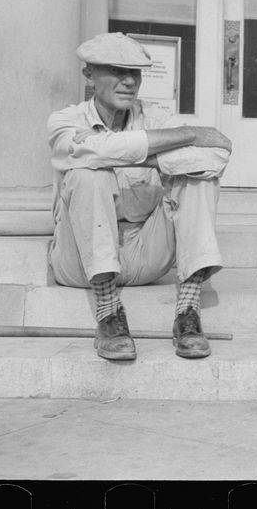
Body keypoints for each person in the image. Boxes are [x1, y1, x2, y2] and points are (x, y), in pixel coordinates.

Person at [47, 32, 232, 362]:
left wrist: (131, 154)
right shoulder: (66, 120)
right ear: (88, 74)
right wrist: (188, 135)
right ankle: (108, 313)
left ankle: (188, 312)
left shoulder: (157, 119)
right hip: (80, 260)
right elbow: (83, 152)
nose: (128, 82)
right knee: (87, 174)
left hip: (144, 253)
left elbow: (216, 153)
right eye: (116, 71)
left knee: (197, 178)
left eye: (135, 73)